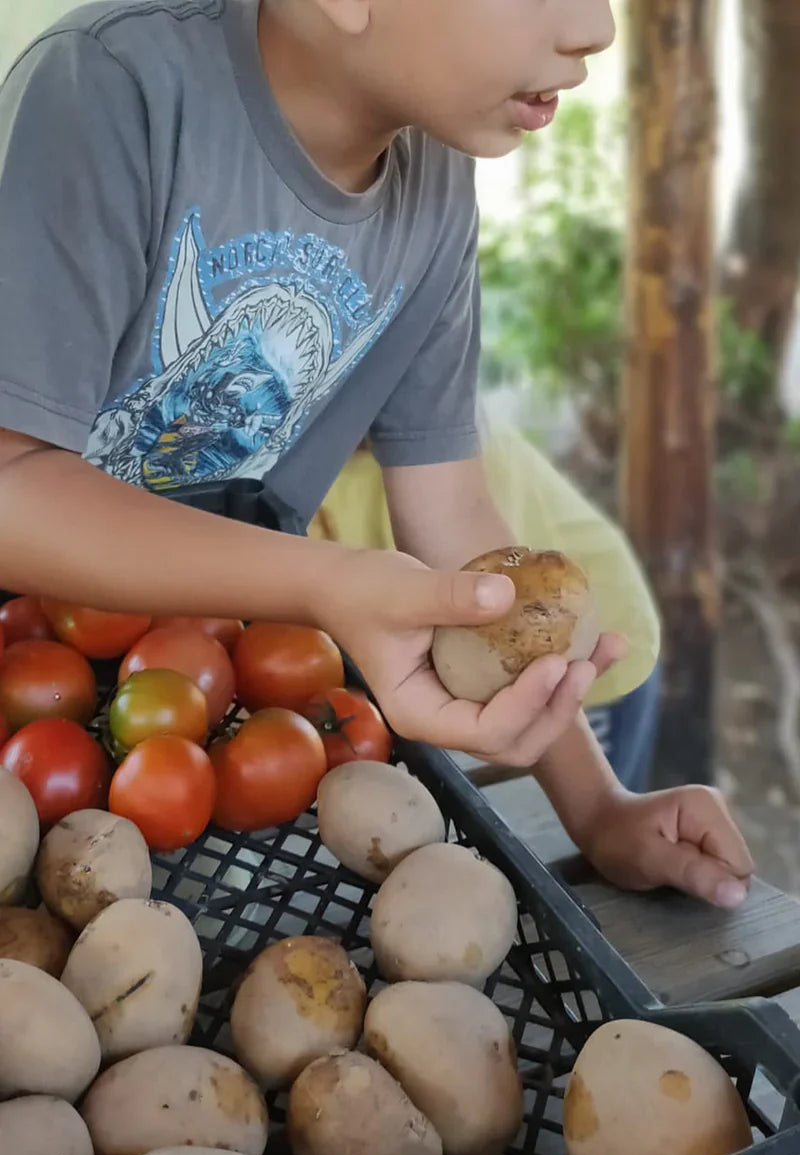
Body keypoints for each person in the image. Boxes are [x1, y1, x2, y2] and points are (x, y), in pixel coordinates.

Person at [0, 0, 752, 909]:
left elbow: (454, 521)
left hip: (215, 689)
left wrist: (599, 810)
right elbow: (15, 489)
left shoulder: (436, 180)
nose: (596, 26)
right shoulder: (111, 89)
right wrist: (329, 582)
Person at [311, 428, 663, 792]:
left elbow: (482, 582)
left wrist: (597, 806)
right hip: (488, 671)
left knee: (561, 819)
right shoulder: (313, 475)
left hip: (592, 657)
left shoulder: (429, 451)